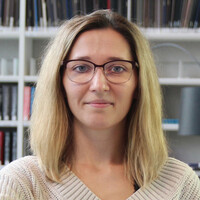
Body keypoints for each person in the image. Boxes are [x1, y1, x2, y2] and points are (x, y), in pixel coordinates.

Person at [0, 10, 200, 200]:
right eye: (81, 67)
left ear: (139, 84)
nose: (99, 85)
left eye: (117, 68)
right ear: (59, 82)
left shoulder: (181, 184)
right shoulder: (21, 184)